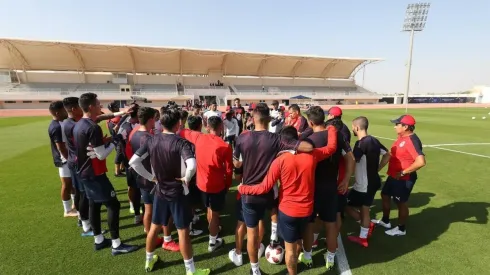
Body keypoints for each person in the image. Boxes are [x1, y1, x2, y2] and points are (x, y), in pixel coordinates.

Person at [238, 125, 337, 275]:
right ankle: (304, 257)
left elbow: (264, 188)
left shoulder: (279, 160)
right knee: (299, 240)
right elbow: (331, 148)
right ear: (297, 140)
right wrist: (331, 129)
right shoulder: (313, 155)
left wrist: (243, 189)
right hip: (307, 210)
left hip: (287, 212)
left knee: (289, 248)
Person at [230, 103, 314, 275]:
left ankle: (255, 271)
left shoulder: (242, 138)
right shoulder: (276, 139)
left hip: (250, 192)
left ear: (252, 119)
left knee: (251, 232)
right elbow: (308, 147)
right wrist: (290, 146)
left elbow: (236, 164)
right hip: (269, 191)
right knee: (270, 216)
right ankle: (274, 238)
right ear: (268, 119)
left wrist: (245, 163)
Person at [129, 108, 210, 274]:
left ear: (162, 123)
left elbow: (133, 162)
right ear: (178, 124)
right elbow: (192, 165)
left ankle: (149, 261)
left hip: (160, 190)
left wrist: (151, 177)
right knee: (183, 231)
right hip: (178, 192)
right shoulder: (182, 143)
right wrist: (187, 178)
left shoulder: (151, 140)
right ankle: (191, 271)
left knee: (154, 227)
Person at [73, 92, 138, 255]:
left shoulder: (80, 124)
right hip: (94, 173)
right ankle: (116, 245)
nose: (100, 106)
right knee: (113, 205)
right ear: (90, 107)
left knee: (94, 203)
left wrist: (122, 113)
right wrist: (114, 141)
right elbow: (101, 154)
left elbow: (94, 145)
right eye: (97, 104)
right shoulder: (92, 127)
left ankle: (99, 239)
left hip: (84, 171)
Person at [301, 106, 355, 271]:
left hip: (312, 188)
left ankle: (308, 256)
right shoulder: (337, 135)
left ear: (310, 122)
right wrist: (346, 180)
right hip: (332, 186)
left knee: (310, 224)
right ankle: (330, 259)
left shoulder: (309, 140)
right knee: (331, 224)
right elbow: (351, 158)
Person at [126, 107, 180, 252]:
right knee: (165, 211)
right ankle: (167, 240)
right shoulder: (150, 139)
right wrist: (153, 176)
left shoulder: (134, 133)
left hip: (141, 178)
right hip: (154, 179)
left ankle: (150, 234)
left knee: (148, 209)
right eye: (155, 119)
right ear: (151, 119)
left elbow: (132, 157)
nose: (156, 121)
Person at [179, 116, 233, 252]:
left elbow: (182, 131)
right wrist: (227, 185)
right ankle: (212, 242)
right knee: (214, 214)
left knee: (209, 209)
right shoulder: (225, 146)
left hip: (202, 184)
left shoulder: (199, 138)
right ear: (221, 127)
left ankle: (213, 230)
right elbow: (229, 170)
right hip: (216, 186)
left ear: (207, 127)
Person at [372, 115, 426, 236]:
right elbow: (390, 155)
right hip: (394, 176)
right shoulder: (401, 138)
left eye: (397, 124)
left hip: (404, 178)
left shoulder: (412, 140)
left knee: (401, 203)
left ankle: (401, 228)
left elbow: (421, 161)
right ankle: (386, 221)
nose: (395, 127)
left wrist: (403, 172)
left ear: (406, 127)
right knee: (385, 195)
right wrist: (377, 169)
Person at [346, 116, 391, 247]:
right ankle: (364, 235)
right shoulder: (374, 140)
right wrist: (377, 168)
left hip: (363, 185)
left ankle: (366, 227)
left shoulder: (360, 144)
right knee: (365, 208)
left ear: (357, 127)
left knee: (343, 204)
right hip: (374, 181)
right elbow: (387, 154)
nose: (352, 129)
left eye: (353, 127)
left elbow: (354, 161)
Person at [48, 101, 77, 217]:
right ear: (57, 112)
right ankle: (67, 210)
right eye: (64, 110)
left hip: (67, 158)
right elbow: (61, 147)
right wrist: (69, 160)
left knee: (73, 184)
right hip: (64, 160)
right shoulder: (56, 127)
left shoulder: (60, 123)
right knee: (66, 185)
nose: (67, 112)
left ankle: (75, 205)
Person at [119, 107, 142, 221]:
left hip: (139, 161)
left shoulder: (137, 125)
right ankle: (136, 210)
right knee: (133, 187)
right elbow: (120, 143)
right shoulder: (125, 127)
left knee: (140, 188)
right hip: (131, 162)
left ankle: (139, 211)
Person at [106, 102, 125, 177]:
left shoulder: (109, 118)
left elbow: (108, 127)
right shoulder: (117, 118)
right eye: (116, 106)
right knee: (119, 153)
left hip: (114, 137)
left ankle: (122, 167)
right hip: (119, 138)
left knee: (121, 153)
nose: (118, 107)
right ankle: (117, 171)